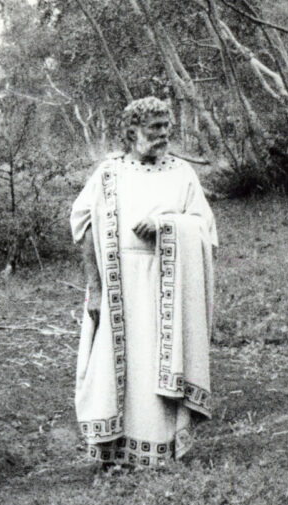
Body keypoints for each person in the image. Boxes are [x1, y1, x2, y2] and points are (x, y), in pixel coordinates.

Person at [71, 97, 219, 470]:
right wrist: (96, 287)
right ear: (131, 130)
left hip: (165, 289)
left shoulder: (182, 172)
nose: (163, 134)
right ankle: (112, 451)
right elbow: (83, 226)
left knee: (157, 366)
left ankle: (159, 451)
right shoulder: (108, 172)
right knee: (114, 368)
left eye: (166, 127)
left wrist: (167, 224)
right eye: (154, 127)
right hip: (119, 288)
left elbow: (205, 228)